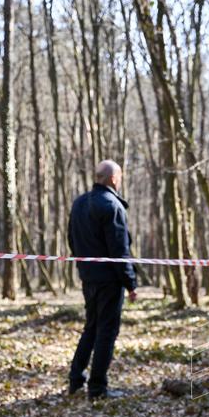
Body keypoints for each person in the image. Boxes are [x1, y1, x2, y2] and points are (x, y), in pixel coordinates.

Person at [68, 160, 137, 400]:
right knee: (105, 331)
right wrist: (130, 283)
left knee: (91, 327)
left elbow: (71, 240)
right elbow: (120, 250)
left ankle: (76, 379)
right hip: (109, 280)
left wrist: (83, 267)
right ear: (114, 179)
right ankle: (97, 388)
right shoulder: (112, 205)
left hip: (88, 277)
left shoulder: (79, 203)